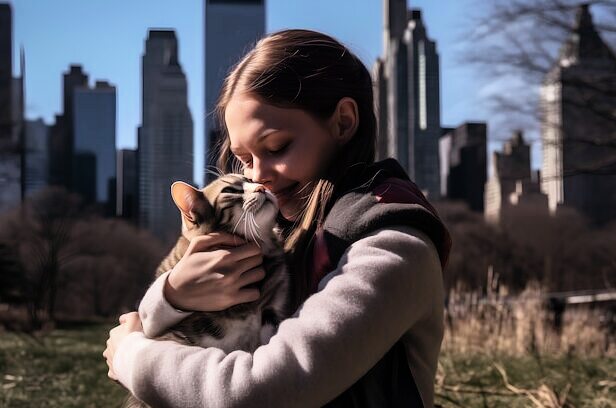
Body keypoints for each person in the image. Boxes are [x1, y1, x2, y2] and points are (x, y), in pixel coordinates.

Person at [103, 29, 451, 408]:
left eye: (276, 147)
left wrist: (129, 355)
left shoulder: (393, 244)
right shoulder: (278, 234)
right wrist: (172, 294)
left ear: (344, 122)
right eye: (244, 158)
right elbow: (158, 322)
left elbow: (260, 391)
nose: (257, 177)